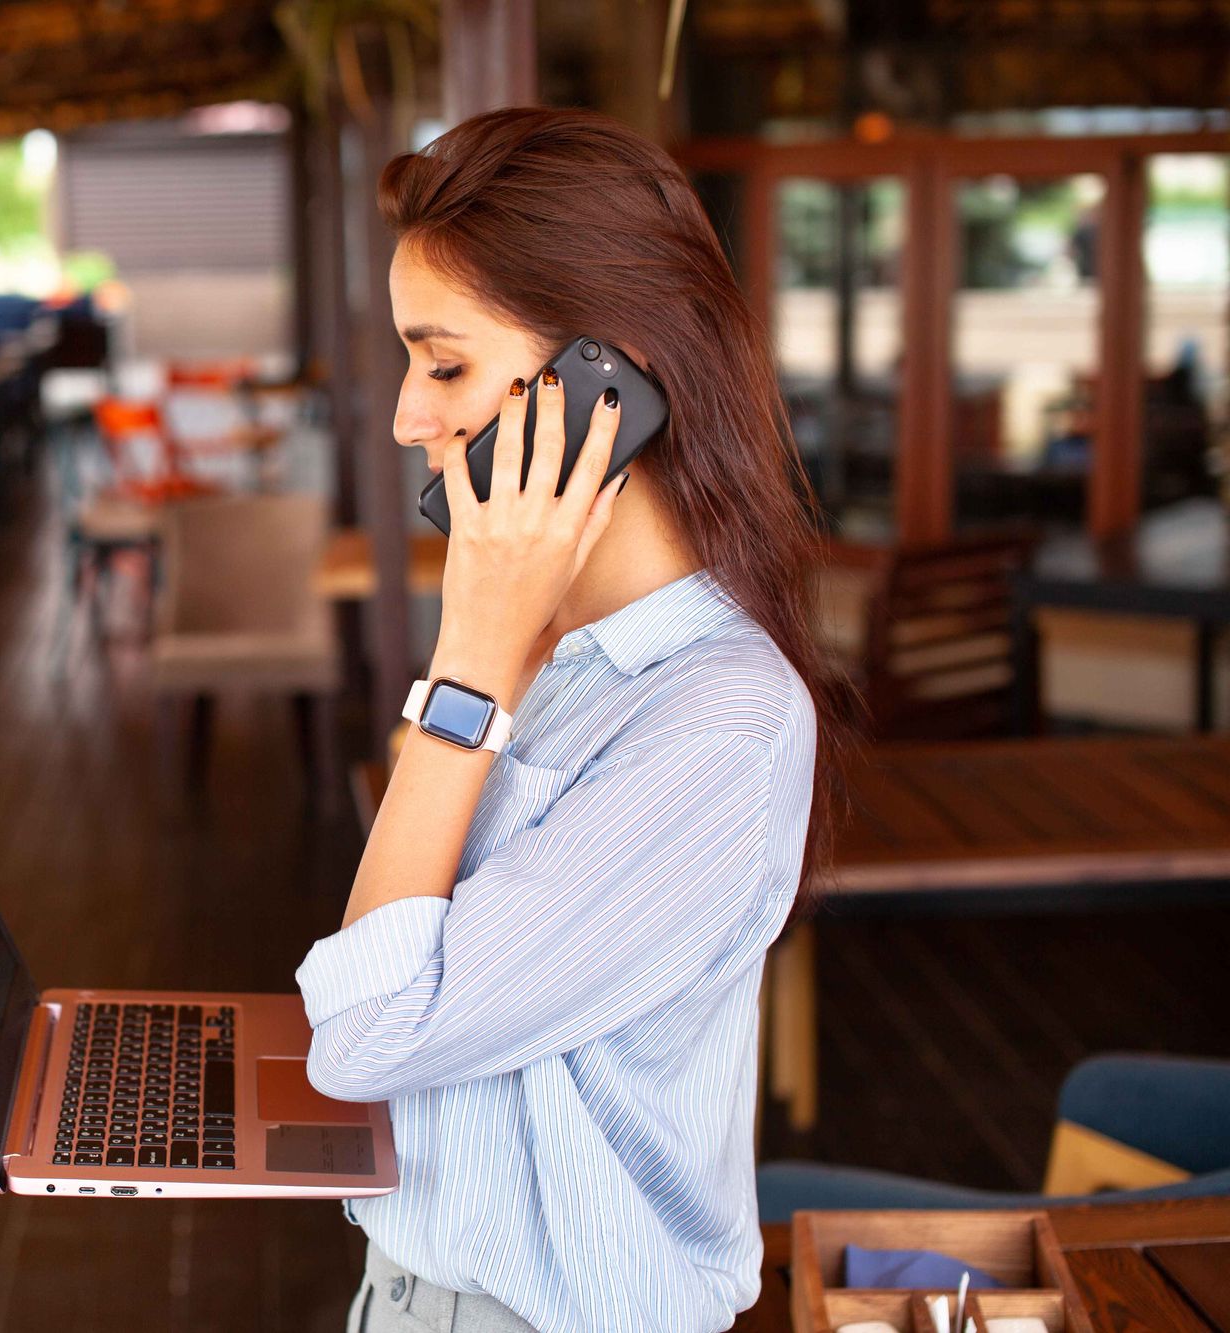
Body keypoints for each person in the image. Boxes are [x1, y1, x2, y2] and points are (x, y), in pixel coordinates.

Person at [295, 107, 855, 1332]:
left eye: (443, 364)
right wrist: (499, 653)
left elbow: (365, 1035)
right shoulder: (552, 658)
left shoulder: (716, 723)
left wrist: (471, 658)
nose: (406, 416)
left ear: (605, 387)